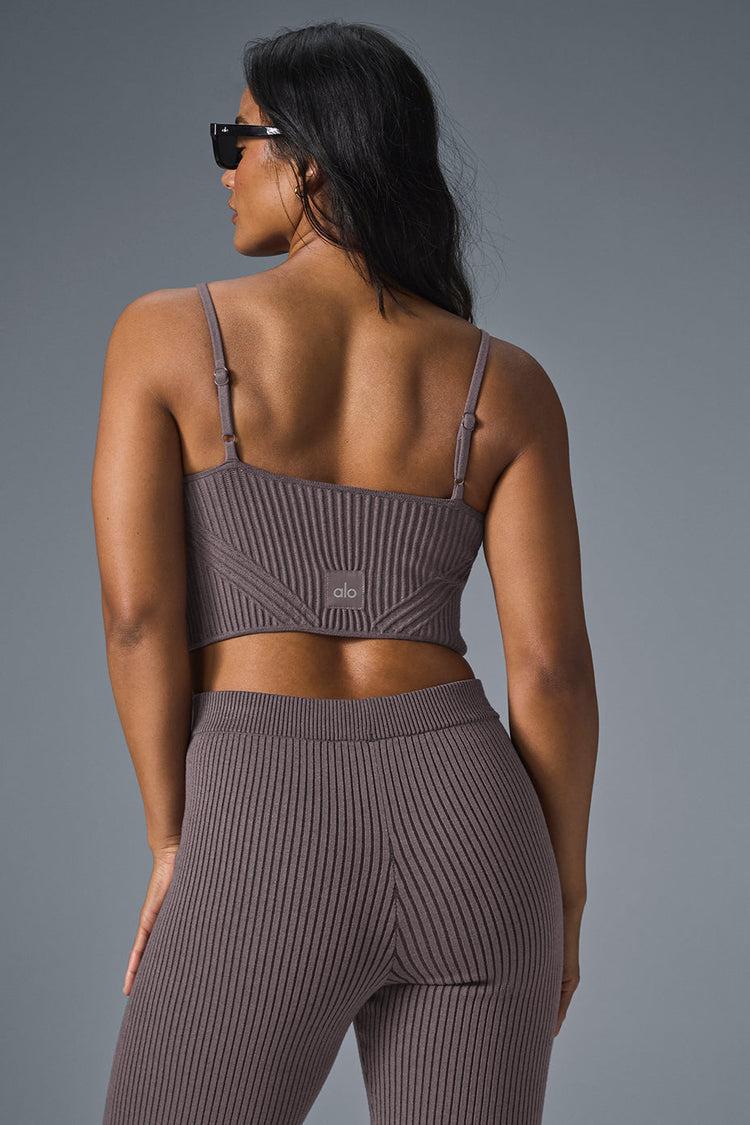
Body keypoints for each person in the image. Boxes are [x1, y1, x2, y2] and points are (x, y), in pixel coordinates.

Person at [93, 19, 598, 1125]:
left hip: (263, 815)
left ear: (308, 158)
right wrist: (561, 893)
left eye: (237, 140)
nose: (225, 170)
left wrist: (174, 839)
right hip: (474, 831)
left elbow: (138, 618)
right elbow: (551, 670)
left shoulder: (166, 336)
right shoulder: (507, 383)